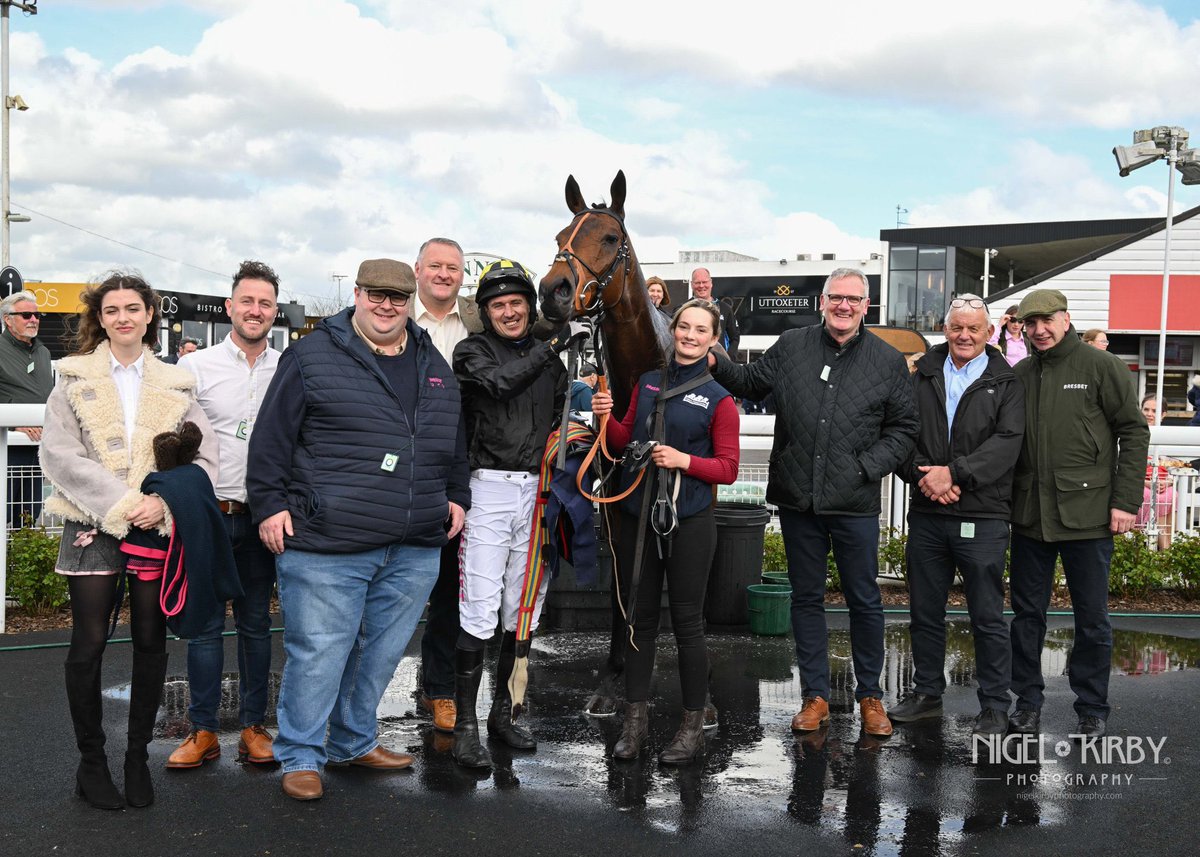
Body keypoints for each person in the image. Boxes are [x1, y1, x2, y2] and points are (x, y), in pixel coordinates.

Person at [248, 258, 470, 801]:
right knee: (319, 651)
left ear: (409, 298)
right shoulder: (311, 355)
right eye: (376, 294)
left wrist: (458, 496)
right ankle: (301, 753)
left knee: (380, 654)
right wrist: (269, 504)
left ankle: (352, 739)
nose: (387, 305)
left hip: (414, 542)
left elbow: (452, 438)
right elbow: (271, 437)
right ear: (358, 294)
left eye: (397, 296)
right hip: (328, 539)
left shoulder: (430, 359)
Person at [708, 267, 918, 738]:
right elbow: (746, 381)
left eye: (854, 299)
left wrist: (865, 467)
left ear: (868, 306)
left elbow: (904, 429)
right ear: (822, 301)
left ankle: (871, 697)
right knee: (806, 600)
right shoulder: (792, 345)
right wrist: (713, 356)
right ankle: (815, 696)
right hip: (799, 498)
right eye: (836, 297)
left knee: (865, 601)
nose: (844, 306)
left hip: (854, 502)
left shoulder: (886, 360)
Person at [40, 272, 218, 810]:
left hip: (154, 527)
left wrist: (163, 505)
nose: (123, 317)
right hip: (92, 522)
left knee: (150, 641)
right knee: (88, 645)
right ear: (100, 317)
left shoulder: (177, 383)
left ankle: (136, 757)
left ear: (149, 315)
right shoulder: (70, 380)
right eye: (112, 309)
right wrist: (122, 507)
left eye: (133, 308)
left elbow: (205, 459)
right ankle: (91, 764)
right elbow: (58, 455)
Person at [591, 298, 739, 764]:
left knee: (688, 626)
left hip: (689, 520)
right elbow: (623, 440)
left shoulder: (721, 400)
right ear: (673, 330)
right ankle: (634, 726)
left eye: (701, 330)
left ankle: (691, 726)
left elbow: (729, 468)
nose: (691, 336)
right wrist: (604, 416)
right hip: (639, 516)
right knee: (640, 622)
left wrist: (683, 461)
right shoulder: (648, 382)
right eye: (684, 327)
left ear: (713, 339)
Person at [449, 258, 580, 771]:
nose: (508, 312)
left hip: (538, 493)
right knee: (478, 608)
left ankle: (504, 714)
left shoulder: (554, 361)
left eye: (515, 303)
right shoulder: (472, 351)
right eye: (498, 305)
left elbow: (560, 419)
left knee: (522, 609)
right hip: (488, 490)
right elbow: (501, 385)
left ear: (528, 306)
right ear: (486, 311)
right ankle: (465, 726)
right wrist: (551, 346)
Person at [1008, 289, 1148, 739]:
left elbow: (1133, 431)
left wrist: (1126, 502)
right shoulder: (1022, 372)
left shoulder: (1100, 366)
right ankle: (1026, 703)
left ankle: (1092, 707)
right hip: (1030, 516)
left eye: (1047, 320)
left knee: (1092, 617)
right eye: (1030, 323)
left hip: (1089, 514)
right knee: (1027, 616)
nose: (1039, 330)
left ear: (1066, 318)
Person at [167, 261, 282, 770]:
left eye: (265, 303)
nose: (255, 310)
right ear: (230, 305)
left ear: (274, 311)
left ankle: (254, 727)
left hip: (264, 517)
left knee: (257, 625)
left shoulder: (289, 366)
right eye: (247, 301)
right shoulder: (195, 369)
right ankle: (204, 729)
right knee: (207, 627)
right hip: (211, 515)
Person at [892, 295, 1024, 736]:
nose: (964, 336)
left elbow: (1007, 443)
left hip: (983, 515)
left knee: (987, 616)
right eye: (956, 327)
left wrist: (955, 475)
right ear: (944, 329)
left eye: (974, 328)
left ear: (990, 332)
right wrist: (924, 478)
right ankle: (927, 693)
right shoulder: (920, 373)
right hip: (929, 513)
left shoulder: (1006, 380)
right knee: (924, 611)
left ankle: (993, 706)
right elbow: (899, 432)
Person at [409, 237, 483, 734]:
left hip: (459, 466)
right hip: (395, 470)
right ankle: (349, 703)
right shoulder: (388, 313)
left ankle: (438, 690)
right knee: (384, 589)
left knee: (450, 590)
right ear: (417, 270)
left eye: (452, 267)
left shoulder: (476, 320)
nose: (443, 274)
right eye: (434, 265)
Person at [0, 290, 53, 529]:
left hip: (38, 447)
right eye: (26, 315)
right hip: (8, 447)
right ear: (7, 319)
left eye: (37, 314)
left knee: (30, 513)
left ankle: (21, 563)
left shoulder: (42, 352)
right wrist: (14, 422)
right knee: (4, 510)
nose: (33, 319)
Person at [1137, 394, 1174, 551]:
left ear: (1163, 414)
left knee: (1171, 495)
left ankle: (1165, 548)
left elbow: (1176, 465)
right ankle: (1140, 541)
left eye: (1154, 410)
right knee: (1147, 495)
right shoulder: (1134, 432)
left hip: (1163, 483)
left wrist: (1167, 482)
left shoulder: (1171, 436)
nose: (1149, 414)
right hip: (1139, 482)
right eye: (1146, 409)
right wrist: (1146, 482)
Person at [690, 268, 740, 358]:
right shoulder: (682, 309)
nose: (701, 286)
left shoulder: (725, 309)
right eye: (697, 282)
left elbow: (735, 337)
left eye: (704, 282)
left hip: (718, 366)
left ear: (711, 283)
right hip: (690, 364)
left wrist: (728, 361)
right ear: (691, 284)